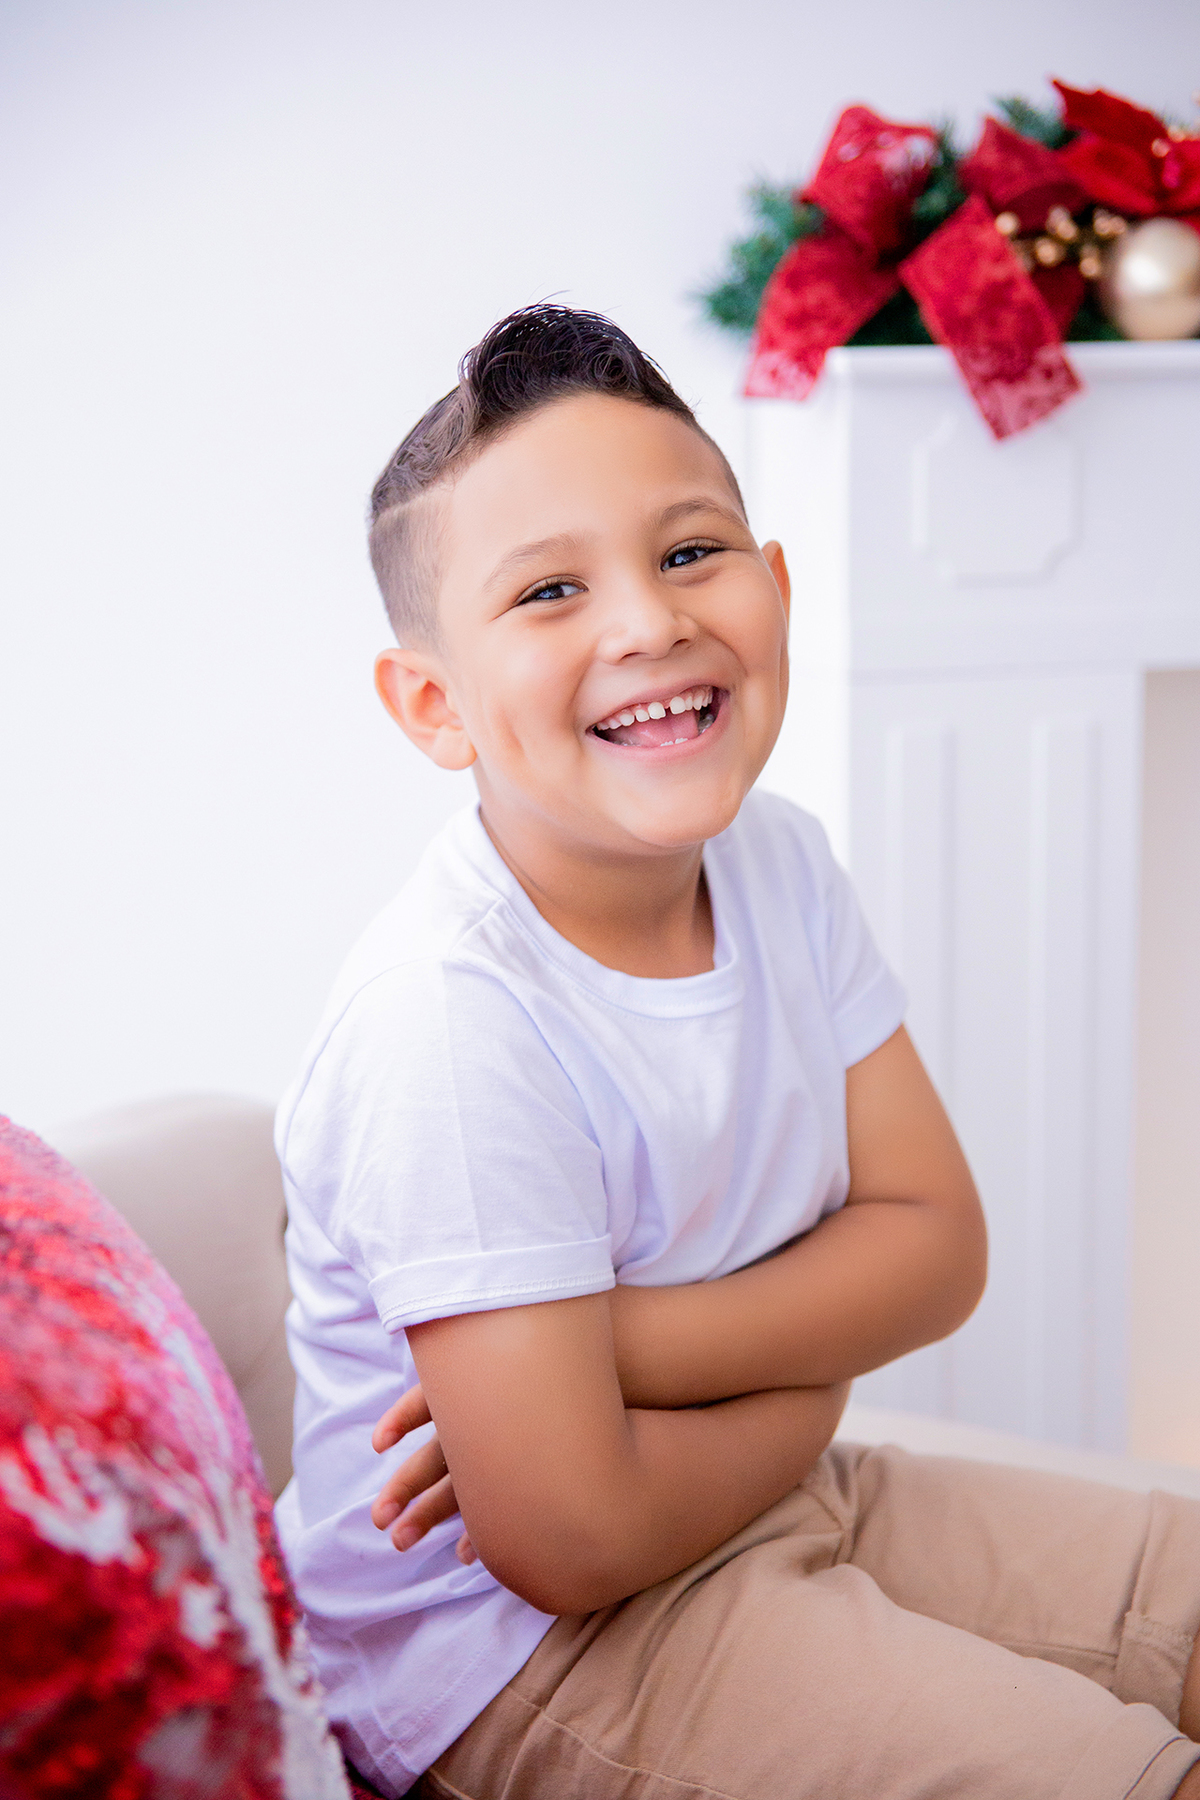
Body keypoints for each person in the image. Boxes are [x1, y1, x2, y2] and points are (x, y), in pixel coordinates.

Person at [274, 304, 1200, 1800]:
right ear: (432, 705)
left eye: (690, 552)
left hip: (756, 1496)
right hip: (517, 1658)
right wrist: (819, 1378)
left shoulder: (780, 865)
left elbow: (938, 1246)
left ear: (777, 588)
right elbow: (570, 1538)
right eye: (552, 589)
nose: (648, 622)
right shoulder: (448, 1019)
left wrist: (617, 1349)